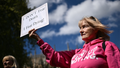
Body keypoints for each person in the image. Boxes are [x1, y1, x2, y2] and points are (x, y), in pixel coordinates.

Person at [28, 16, 120, 68]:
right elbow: (55, 57)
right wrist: (38, 39)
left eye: (84, 27)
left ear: (95, 29)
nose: (81, 30)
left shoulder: (107, 46)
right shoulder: (76, 53)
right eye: (80, 28)